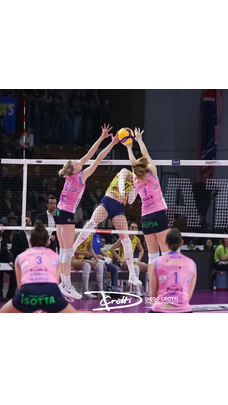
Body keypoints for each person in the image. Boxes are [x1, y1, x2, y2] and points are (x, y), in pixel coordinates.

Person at [55, 124, 118, 301]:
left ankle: (63, 285)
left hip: (58, 212)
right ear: (75, 169)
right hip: (66, 214)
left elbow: (90, 154)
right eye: (77, 162)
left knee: (64, 251)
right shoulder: (80, 176)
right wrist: (112, 143)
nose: (80, 161)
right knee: (67, 252)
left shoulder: (70, 174)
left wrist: (102, 137)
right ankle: (67, 286)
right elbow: (98, 158)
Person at [72, 163, 142, 288]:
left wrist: (136, 187)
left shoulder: (135, 183)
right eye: (137, 173)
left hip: (119, 209)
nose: (136, 176)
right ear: (134, 170)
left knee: (126, 241)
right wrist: (122, 192)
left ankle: (132, 275)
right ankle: (72, 249)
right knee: (91, 224)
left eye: (139, 175)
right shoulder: (125, 171)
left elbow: (131, 201)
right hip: (108, 201)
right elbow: (121, 181)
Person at [0, 221, 77, 313]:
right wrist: (45, 304)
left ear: (30, 241)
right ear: (47, 242)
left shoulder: (20, 257)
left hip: (27, 295)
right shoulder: (55, 257)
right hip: (51, 296)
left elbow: (20, 286)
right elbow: (55, 283)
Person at [125, 128, 170, 281]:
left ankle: (152, 288)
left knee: (152, 256)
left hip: (145, 219)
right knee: (166, 252)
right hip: (158, 214)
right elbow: (146, 155)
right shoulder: (152, 176)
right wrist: (139, 140)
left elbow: (133, 164)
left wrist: (129, 147)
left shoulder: (136, 181)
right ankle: (167, 285)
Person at [149, 229, 197, 313]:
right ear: (182, 243)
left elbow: (153, 296)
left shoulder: (156, 262)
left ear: (165, 242)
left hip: (160, 310)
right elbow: (188, 297)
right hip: (183, 310)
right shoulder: (192, 263)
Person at [108, 222, 148, 296]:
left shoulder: (137, 239)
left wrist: (138, 259)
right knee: (135, 266)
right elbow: (112, 249)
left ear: (137, 230)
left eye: (135, 228)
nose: (133, 229)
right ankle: (137, 290)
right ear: (129, 229)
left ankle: (146, 291)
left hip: (132, 261)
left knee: (142, 267)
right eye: (132, 227)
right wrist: (120, 259)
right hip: (122, 262)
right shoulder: (123, 237)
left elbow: (141, 250)